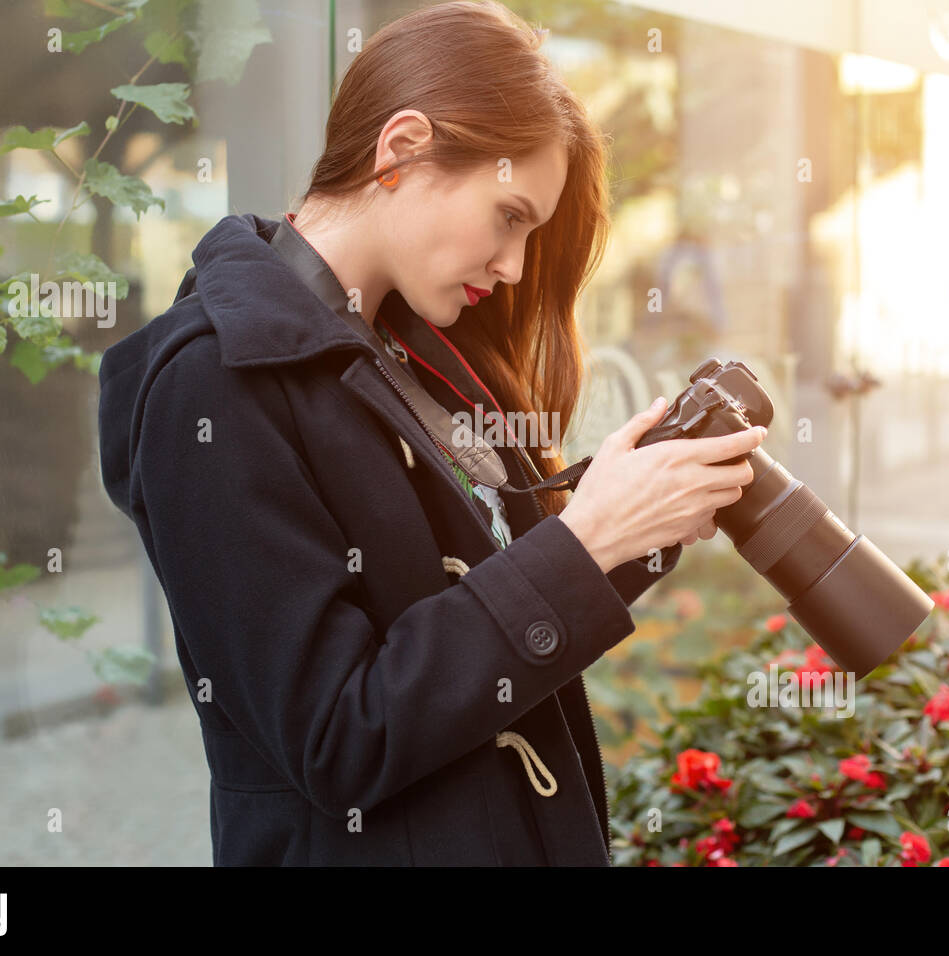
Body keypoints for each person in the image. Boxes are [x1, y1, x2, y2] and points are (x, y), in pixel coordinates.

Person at [97, 0, 765, 866]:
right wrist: (587, 541)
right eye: (511, 215)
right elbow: (338, 735)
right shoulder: (215, 380)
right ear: (402, 149)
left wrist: (636, 526)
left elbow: (487, 608)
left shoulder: (411, 352)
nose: (516, 265)